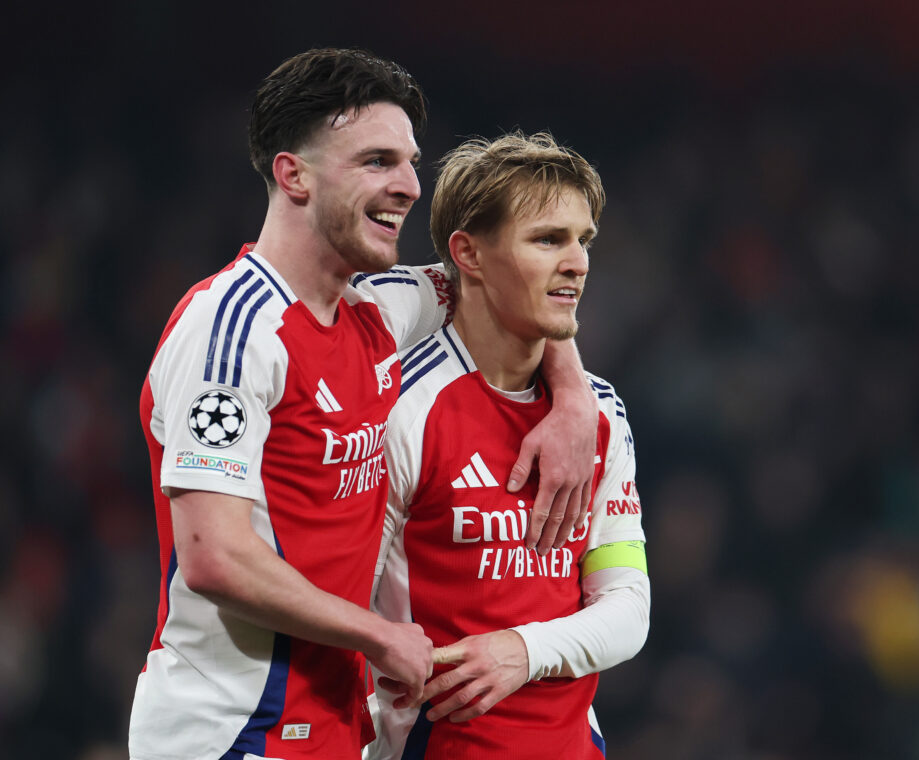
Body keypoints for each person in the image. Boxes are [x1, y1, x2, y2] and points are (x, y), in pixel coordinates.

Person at [129, 50, 598, 760]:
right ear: (294, 176)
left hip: (328, 728)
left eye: (411, 162)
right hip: (228, 729)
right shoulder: (231, 329)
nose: (410, 186)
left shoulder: (377, 310)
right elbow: (214, 557)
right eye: (378, 160)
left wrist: (570, 394)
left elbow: (509, 278)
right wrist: (381, 635)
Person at [366, 132, 651, 759]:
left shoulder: (599, 412)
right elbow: (343, 614)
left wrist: (524, 650)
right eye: (547, 239)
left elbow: (629, 607)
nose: (577, 261)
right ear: (467, 254)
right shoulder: (399, 410)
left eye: (584, 240)